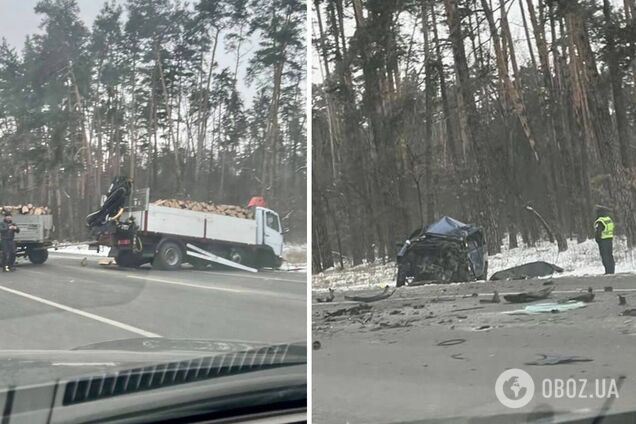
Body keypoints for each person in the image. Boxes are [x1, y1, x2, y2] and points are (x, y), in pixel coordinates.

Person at [594, 206, 615, 275]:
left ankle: (607, 271)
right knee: (610, 255)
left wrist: (597, 240)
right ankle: (612, 270)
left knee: (604, 256)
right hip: (610, 239)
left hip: (603, 240)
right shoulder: (608, 219)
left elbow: (598, 232)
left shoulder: (600, 221)